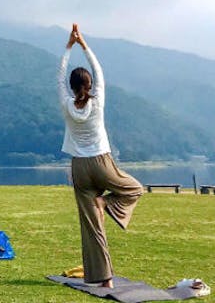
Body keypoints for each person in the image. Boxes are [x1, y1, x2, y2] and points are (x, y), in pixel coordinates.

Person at [58, 24, 142, 288]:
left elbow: (58, 76)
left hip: (79, 168)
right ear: (90, 85)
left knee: (91, 226)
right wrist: (83, 44)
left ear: (72, 88)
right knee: (134, 189)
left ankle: (106, 280)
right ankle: (104, 204)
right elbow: (99, 71)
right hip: (102, 161)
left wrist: (68, 48)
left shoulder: (66, 104)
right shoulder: (98, 102)